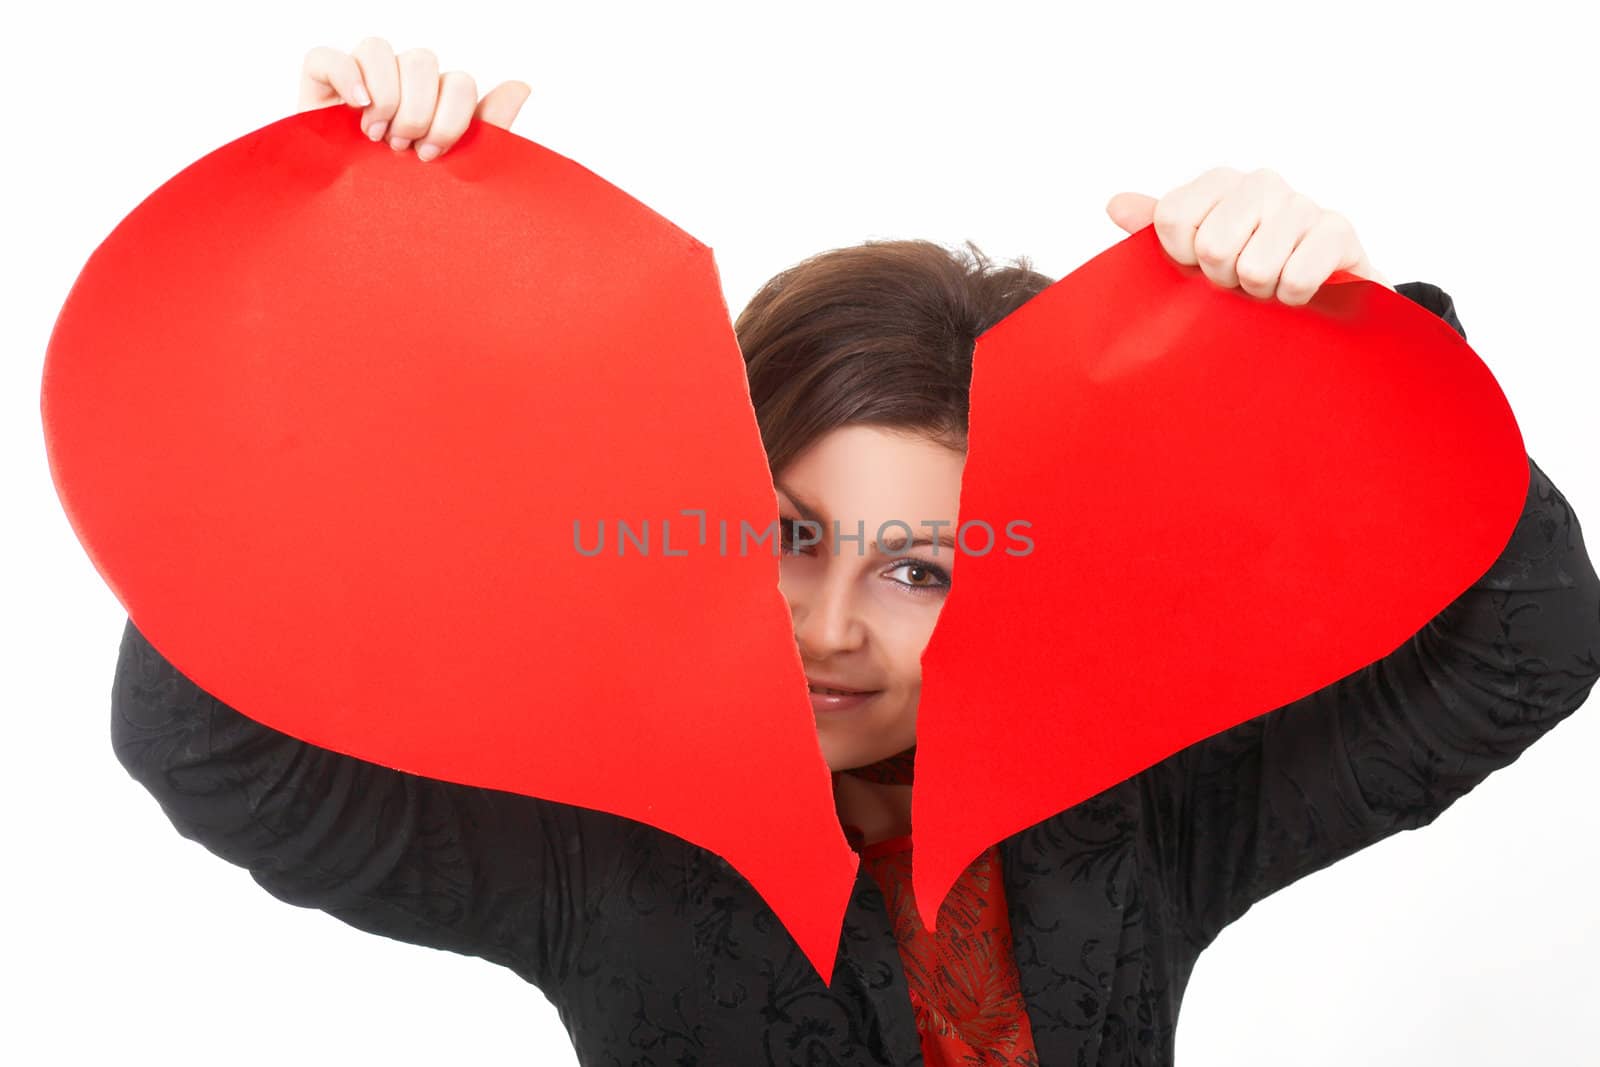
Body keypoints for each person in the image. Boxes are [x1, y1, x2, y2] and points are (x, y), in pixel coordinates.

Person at [110, 37, 1600, 1067]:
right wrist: (350, 290)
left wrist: (1333, 344)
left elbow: (1528, 639)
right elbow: (206, 741)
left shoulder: (1132, 823)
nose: (825, 626)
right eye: (788, 536)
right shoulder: (603, 838)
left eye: (920, 569)